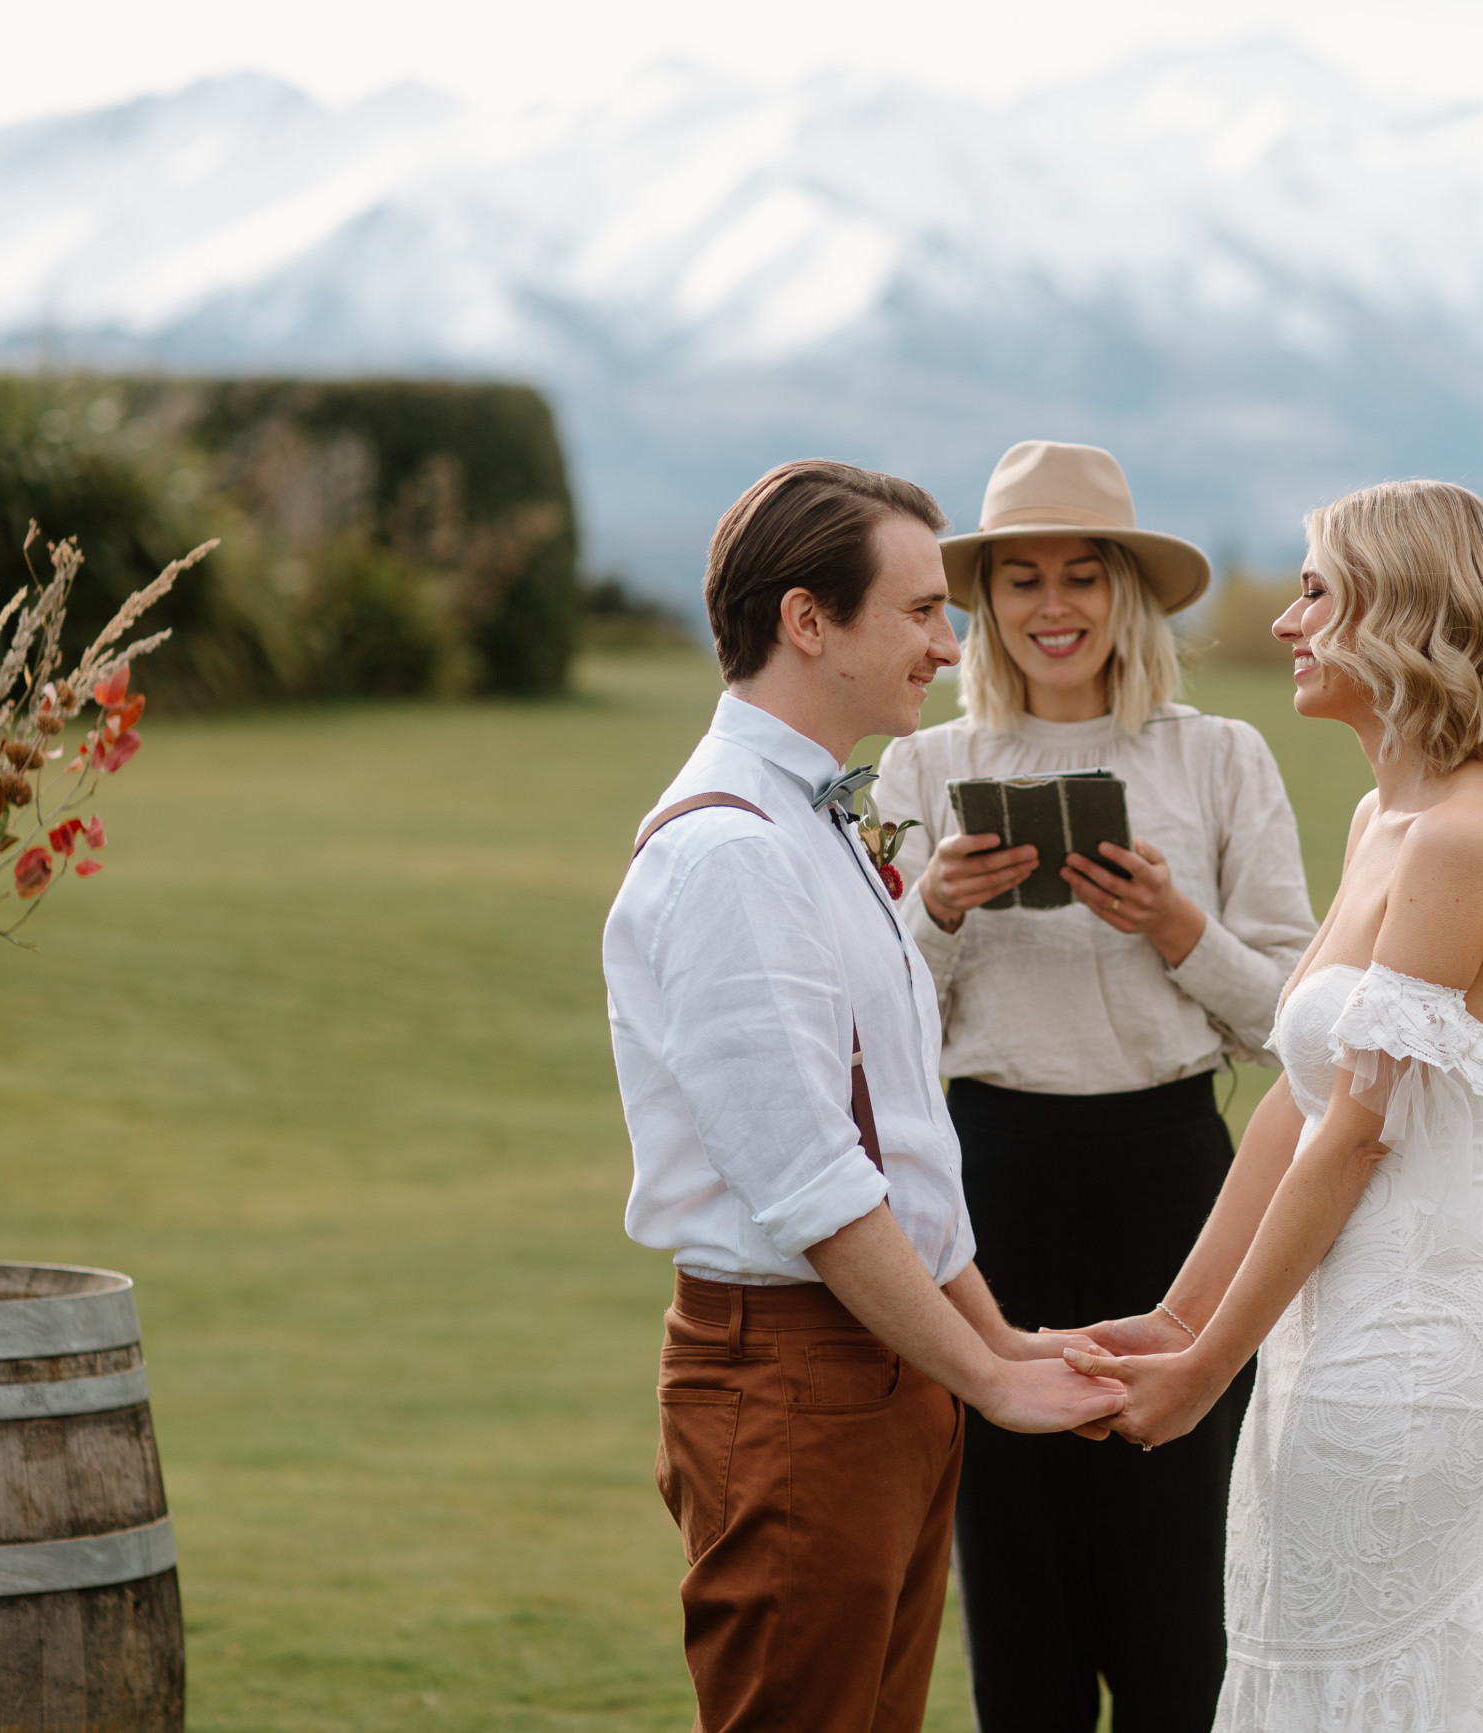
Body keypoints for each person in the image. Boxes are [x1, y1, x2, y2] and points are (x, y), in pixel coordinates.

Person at [600, 459, 1126, 1733]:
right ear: (805, 620)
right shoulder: (730, 852)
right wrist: (987, 1380)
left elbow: (896, 1150)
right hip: (793, 1382)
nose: (949, 648)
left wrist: (997, 1346)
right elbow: (811, 1183)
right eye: (919, 613)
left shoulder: (819, 821)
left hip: (882, 1366)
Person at [1064, 480, 1483, 1731]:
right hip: (1322, 1339)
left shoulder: (1462, 839)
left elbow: (1358, 1131)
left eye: (1315, 589)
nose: (1290, 622)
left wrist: (1204, 1371)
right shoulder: (1380, 820)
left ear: (1402, 609)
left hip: (1403, 1349)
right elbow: (1288, 1111)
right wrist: (1176, 1315)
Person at [872, 440, 1316, 1733]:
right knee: (1015, 1580)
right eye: (1021, 580)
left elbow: (1298, 1027)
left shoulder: (1222, 758)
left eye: (1080, 575)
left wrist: (1178, 926)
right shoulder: (921, 768)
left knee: (1184, 1581)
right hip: (988, 1181)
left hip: (1176, 1180)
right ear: (987, 604)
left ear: (1127, 591)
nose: (1052, 606)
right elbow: (883, 1037)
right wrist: (937, 912)